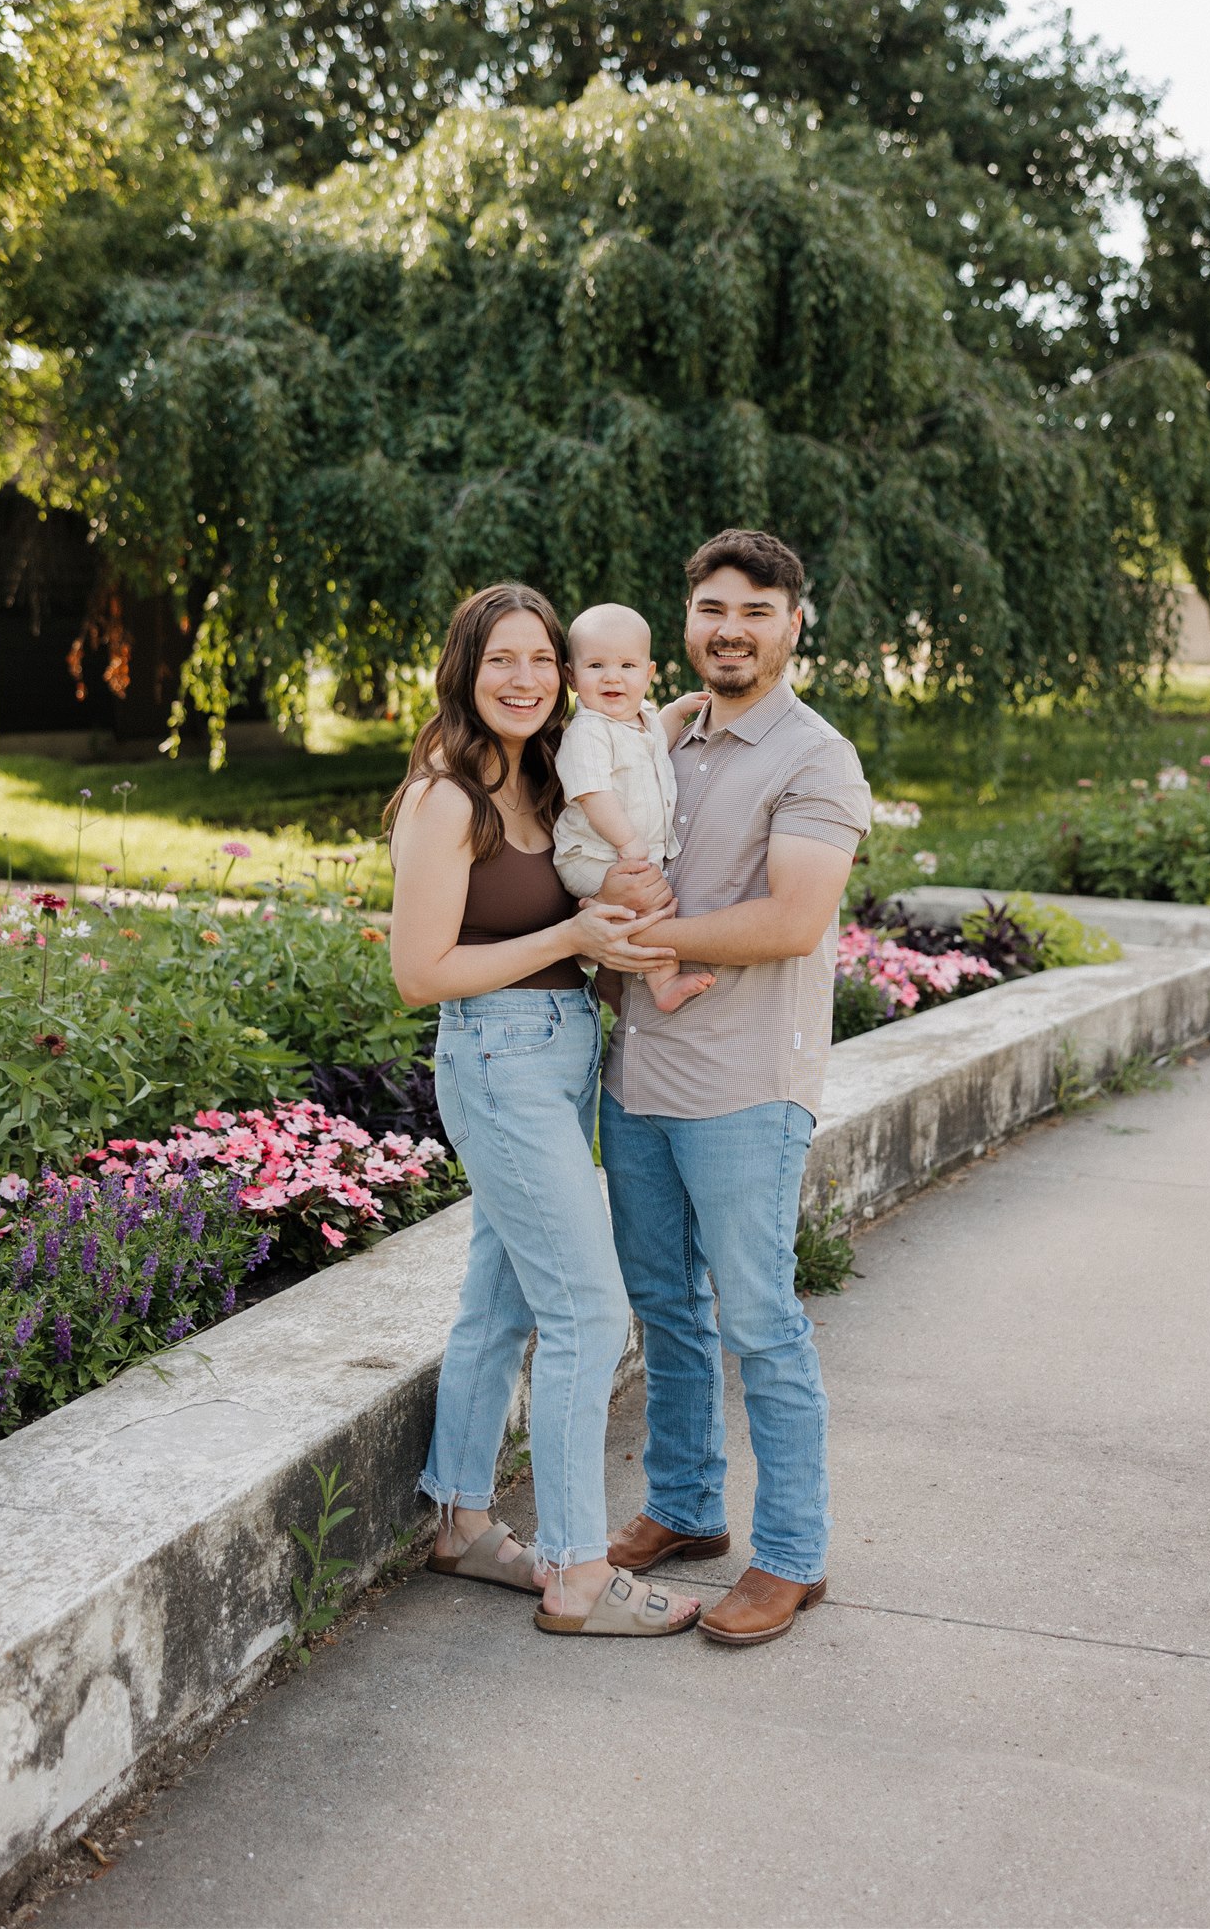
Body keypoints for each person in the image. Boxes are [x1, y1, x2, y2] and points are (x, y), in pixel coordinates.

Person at [387, 582, 701, 1638]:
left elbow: (631, 738)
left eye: (538, 660)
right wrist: (571, 937)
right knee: (587, 1309)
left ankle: (462, 1521)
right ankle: (575, 1570)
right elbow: (420, 971)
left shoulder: (541, 776)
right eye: (499, 661)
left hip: (561, 1052)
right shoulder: (447, 797)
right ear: (464, 674)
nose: (522, 679)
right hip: (499, 1058)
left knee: (503, 1299)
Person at [596, 529, 872, 1646]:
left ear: (793, 623)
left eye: (754, 610)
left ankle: (793, 1554)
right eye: (712, 606)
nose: (729, 627)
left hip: (748, 1087)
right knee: (663, 1306)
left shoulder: (814, 757)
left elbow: (791, 919)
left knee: (758, 1321)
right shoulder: (668, 733)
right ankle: (685, 1503)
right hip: (640, 1075)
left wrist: (647, 936)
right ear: (688, 615)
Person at [551, 600, 712, 1013]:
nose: (612, 677)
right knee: (648, 904)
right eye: (596, 666)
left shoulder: (640, 721)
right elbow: (592, 792)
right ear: (571, 676)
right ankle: (660, 985)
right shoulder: (588, 731)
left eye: (627, 666)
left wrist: (676, 711)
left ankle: (609, 978)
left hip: (625, 854)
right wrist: (628, 841)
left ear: (648, 673)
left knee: (652, 902)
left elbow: (659, 737)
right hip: (590, 854)